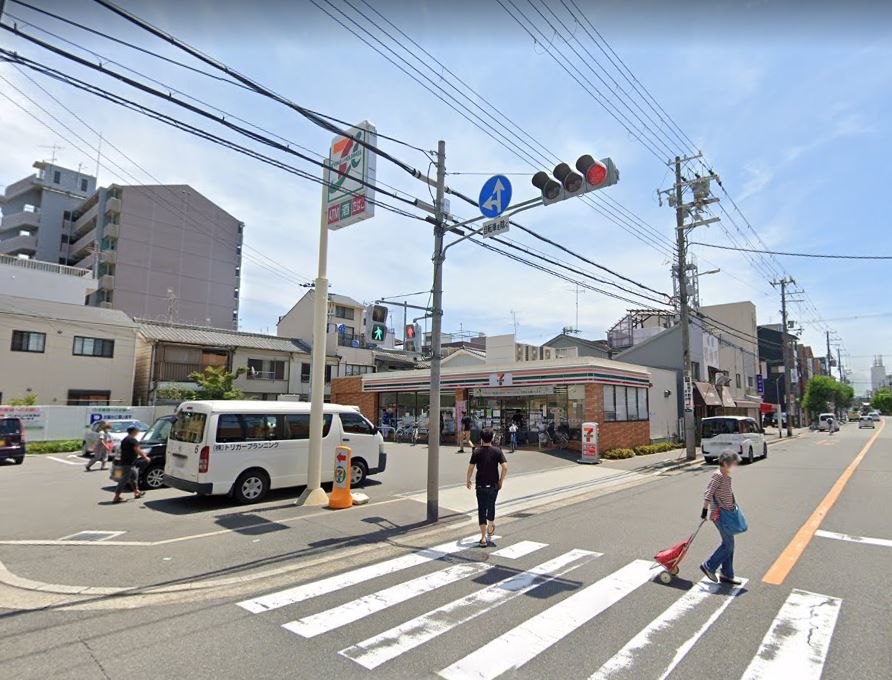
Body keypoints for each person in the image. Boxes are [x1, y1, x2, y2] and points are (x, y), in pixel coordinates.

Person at [700, 450, 742, 585]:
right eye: (732, 464)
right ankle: (709, 566)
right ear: (724, 463)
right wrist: (704, 511)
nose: (733, 466)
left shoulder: (726, 477)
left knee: (729, 545)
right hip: (719, 515)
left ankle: (727, 574)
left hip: (727, 515)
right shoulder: (718, 475)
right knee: (728, 545)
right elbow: (708, 493)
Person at [466, 429, 508, 547]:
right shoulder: (497, 451)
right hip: (493, 485)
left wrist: (468, 480)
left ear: (481, 439)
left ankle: (483, 537)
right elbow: (505, 467)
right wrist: (501, 481)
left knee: (481, 509)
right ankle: (490, 526)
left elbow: (470, 468)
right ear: (492, 438)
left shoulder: (477, 451)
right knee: (491, 506)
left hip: (480, 485)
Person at [112, 426, 151, 504]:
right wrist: (145, 457)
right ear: (134, 432)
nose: (138, 432)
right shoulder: (132, 440)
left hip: (127, 462)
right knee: (124, 479)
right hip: (128, 463)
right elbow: (137, 449)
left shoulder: (125, 439)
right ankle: (116, 497)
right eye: (137, 431)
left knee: (134, 477)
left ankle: (136, 492)